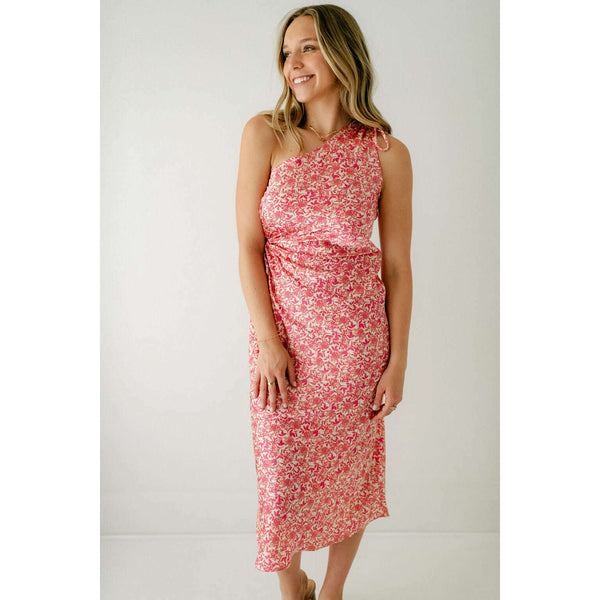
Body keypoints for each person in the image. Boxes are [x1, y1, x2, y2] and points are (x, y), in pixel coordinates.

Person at [235, 5, 413, 600]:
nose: (293, 63)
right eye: (286, 53)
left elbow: (396, 267)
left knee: (350, 474)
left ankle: (332, 591)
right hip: (282, 338)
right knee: (280, 473)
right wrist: (268, 340)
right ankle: (294, 586)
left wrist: (397, 362)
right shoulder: (265, 134)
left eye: (307, 47)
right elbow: (248, 247)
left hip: (356, 342)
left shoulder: (386, 152)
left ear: (342, 52)